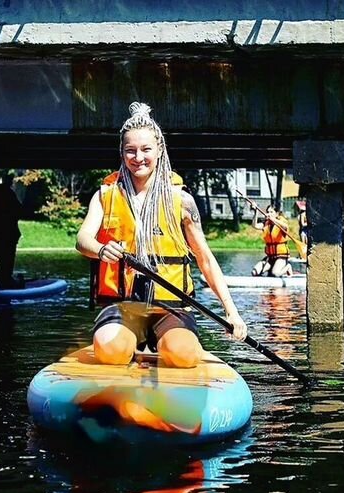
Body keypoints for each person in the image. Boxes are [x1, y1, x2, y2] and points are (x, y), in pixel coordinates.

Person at [76, 102, 247, 369]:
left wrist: (231, 311)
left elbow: (205, 259)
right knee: (111, 350)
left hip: (170, 308)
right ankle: (128, 344)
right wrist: (99, 249)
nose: (138, 157)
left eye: (146, 149)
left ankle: (160, 343)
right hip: (124, 306)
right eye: (130, 150)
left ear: (159, 150)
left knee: (182, 355)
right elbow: (82, 239)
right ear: (122, 153)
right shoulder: (104, 196)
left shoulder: (182, 201)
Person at [251, 204, 293, 277]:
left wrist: (273, 219)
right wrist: (256, 212)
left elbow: (285, 226)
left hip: (281, 256)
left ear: (276, 214)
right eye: (268, 212)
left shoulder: (281, 222)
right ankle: (270, 269)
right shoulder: (266, 224)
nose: (269, 214)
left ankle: (287, 267)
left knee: (275, 274)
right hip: (270, 257)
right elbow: (255, 226)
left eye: (271, 212)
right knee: (254, 272)